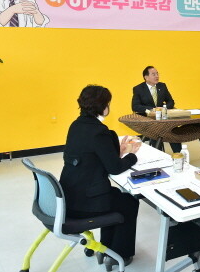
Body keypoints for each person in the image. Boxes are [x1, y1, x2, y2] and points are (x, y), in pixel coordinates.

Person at [60, 85, 141, 269]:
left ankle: (106, 249)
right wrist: (132, 155)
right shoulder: (99, 131)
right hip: (85, 202)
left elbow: (92, 156)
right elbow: (114, 168)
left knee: (118, 198)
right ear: (103, 106)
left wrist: (116, 151)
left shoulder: (77, 125)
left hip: (71, 195)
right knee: (129, 202)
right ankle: (120, 254)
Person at [131, 66, 181, 153]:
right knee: (156, 130)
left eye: (157, 73)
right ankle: (158, 154)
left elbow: (171, 101)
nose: (157, 76)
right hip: (149, 119)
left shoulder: (162, 86)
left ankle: (179, 155)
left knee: (172, 129)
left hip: (163, 117)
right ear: (146, 77)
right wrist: (153, 109)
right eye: (153, 74)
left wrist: (164, 108)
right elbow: (135, 106)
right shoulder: (138, 89)